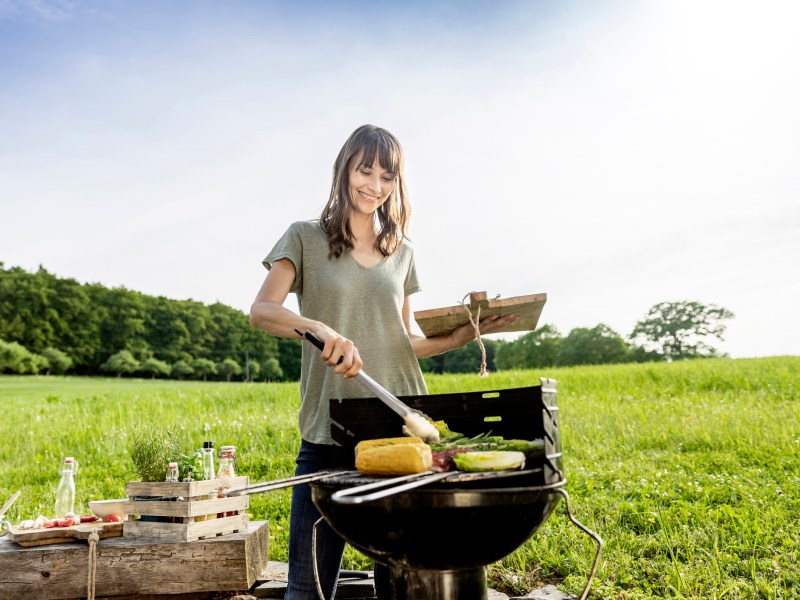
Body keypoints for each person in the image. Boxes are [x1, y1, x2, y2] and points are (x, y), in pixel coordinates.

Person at [249, 124, 516, 600]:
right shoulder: (305, 237)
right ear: (344, 171)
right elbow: (263, 311)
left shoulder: (403, 251)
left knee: (399, 586)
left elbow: (401, 341)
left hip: (400, 425)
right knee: (306, 591)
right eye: (365, 170)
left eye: (387, 176)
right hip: (328, 430)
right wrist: (321, 329)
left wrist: (455, 338)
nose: (374, 185)